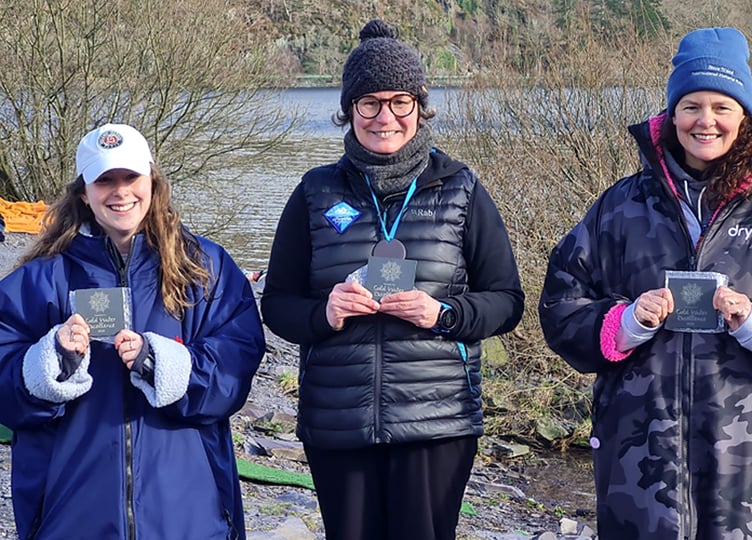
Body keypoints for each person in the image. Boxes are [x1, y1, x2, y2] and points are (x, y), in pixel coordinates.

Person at [260, 19, 524, 540]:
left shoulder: (462, 190)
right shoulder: (314, 192)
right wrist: (324, 313)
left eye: (400, 102)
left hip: (437, 423)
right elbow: (277, 305)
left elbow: (507, 300)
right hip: (339, 423)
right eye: (370, 103)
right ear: (349, 109)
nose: (386, 117)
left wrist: (443, 313)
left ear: (420, 106)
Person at [0, 123, 265, 539]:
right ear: (84, 193)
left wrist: (164, 364)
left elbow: (236, 366)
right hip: (71, 518)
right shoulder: (37, 282)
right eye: (105, 180)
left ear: (153, 182)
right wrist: (48, 362)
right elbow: (4, 385)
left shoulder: (206, 268)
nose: (120, 192)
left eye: (130, 177)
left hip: (188, 514)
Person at [538, 27, 752, 539]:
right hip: (638, 463)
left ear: (744, 116)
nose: (706, 121)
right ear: (672, 113)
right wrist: (626, 323)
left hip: (741, 470)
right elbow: (560, 305)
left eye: (722, 106)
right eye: (691, 105)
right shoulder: (620, 207)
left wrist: (748, 324)